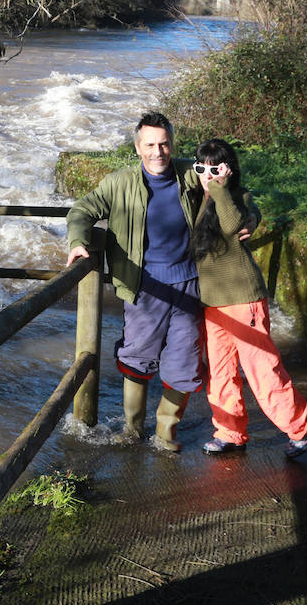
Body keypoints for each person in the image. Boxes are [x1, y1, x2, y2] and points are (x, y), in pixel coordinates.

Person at [65, 112, 204, 452]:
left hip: (191, 285)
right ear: (138, 147)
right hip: (143, 287)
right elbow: (82, 210)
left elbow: (235, 190)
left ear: (173, 143)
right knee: (137, 358)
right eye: (151, 145)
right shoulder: (119, 183)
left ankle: (166, 431)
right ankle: (132, 429)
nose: (159, 151)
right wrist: (78, 242)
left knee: (186, 361)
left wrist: (250, 218)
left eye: (165, 143)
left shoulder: (191, 174)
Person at [188, 138, 307, 459]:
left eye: (215, 168)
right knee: (220, 372)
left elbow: (234, 223)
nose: (206, 174)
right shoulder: (193, 198)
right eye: (200, 168)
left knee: (261, 368)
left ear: (229, 170)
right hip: (211, 304)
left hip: (243, 298)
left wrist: (220, 187)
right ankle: (230, 432)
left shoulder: (236, 196)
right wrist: (204, 179)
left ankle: (303, 426)